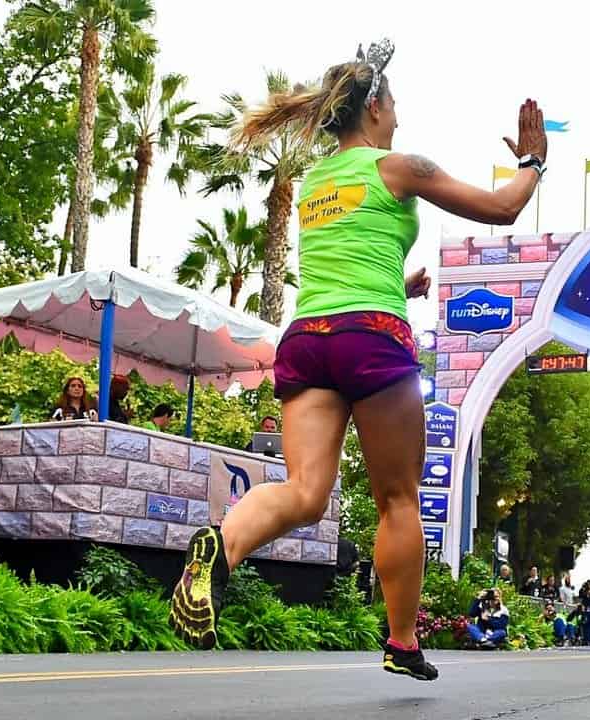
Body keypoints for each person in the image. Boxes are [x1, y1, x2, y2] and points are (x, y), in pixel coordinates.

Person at [165, 39, 547, 684]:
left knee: (304, 491)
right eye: (393, 105)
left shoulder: (314, 182)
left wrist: (402, 285)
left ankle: (220, 549)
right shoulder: (399, 166)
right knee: (398, 498)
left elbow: (346, 261)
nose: (397, 117)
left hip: (308, 338)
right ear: (373, 107)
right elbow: (502, 207)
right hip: (372, 337)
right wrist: (534, 163)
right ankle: (402, 641)